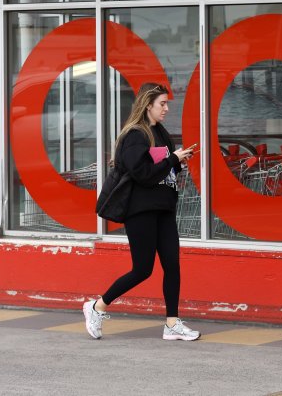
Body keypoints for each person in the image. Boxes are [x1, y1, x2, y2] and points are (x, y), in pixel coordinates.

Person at [82, 82, 199, 341]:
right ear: (148, 106)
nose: (166, 108)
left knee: (172, 265)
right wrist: (172, 159)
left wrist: (178, 161)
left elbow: (162, 170)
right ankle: (97, 306)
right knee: (142, 269)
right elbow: (143, 175)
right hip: (141, 210)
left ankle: (172, 324)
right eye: (162, 104)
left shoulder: (161, 132)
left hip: (163, 208)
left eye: (167, 103)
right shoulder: (135, 135)